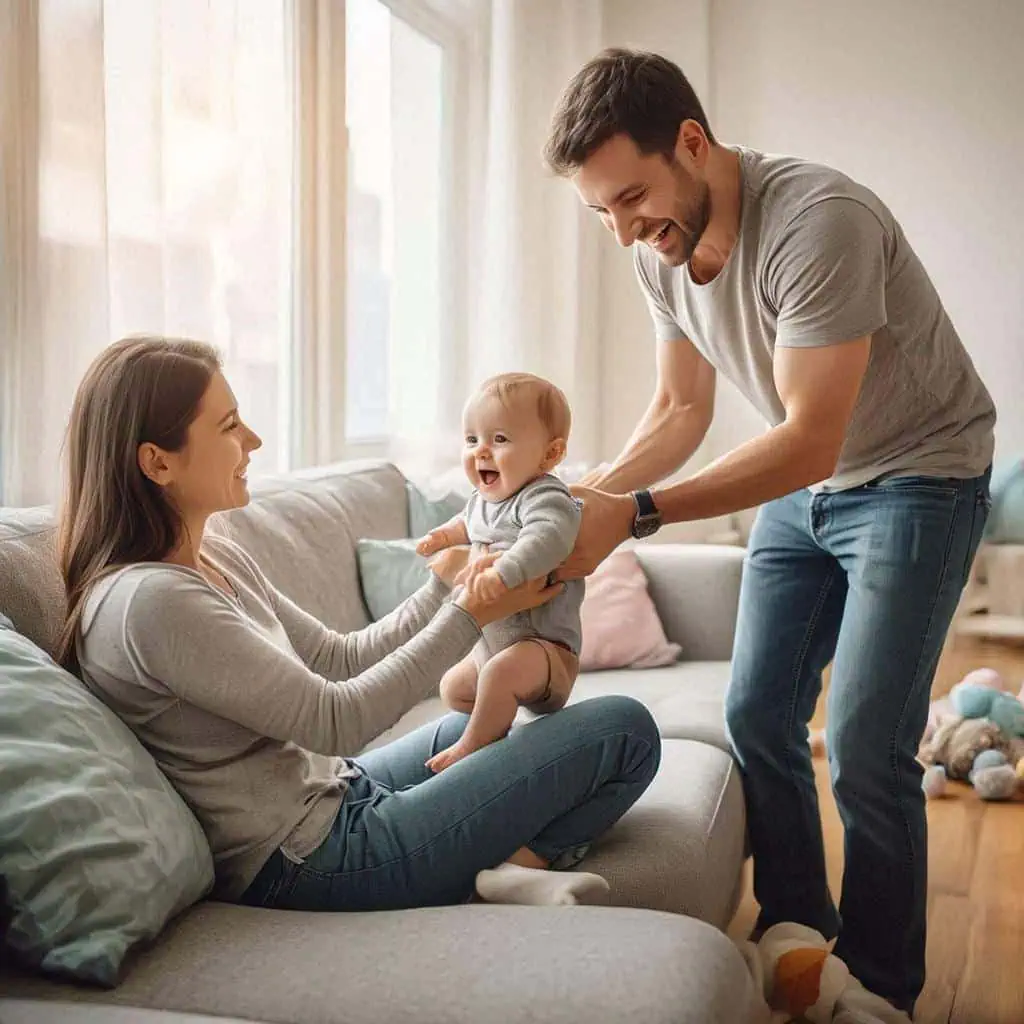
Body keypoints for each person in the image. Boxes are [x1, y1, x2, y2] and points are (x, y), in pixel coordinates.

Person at [543, 49, 995, 1013]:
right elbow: (677, 409)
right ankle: (800, 932)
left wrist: (642, 517)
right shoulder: (656, 249)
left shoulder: (819, 222)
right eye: (603, 212)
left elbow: (808, 439)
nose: (624, 229)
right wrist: (589, 498)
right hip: (811, 483)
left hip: (918, 473)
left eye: (632, 198)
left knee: (870, 743)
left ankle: (880, 988)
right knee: (757, 714)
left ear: (693, 145)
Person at [57, 336, 660, 912]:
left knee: (471, 722)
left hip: (336, 792)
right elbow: (334, 720)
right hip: (310, 859)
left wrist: (446, 584)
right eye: (229, 426)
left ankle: (509, 869)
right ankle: (518, 865)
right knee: (624, 730)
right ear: (158, 462)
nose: (255, 439)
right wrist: (471, 612)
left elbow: (340, 658)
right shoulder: (151, 604)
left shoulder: (214, 555)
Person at [417, 372, 585, 773]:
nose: (481, 452)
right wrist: (443, 535)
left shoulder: (547, 497)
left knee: (500, 674)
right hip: (490, 647)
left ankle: (472, 748)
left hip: (544, 653)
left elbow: (547, 540)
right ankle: (500, 731)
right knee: (453, 688)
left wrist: (502, 573)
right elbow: (468, 522)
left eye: (500, 440)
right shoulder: (483, 499)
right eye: (471, 439)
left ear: (549, 455)